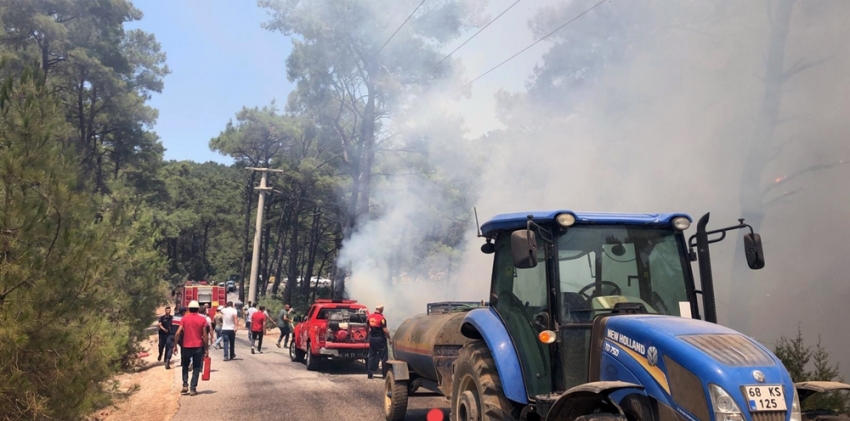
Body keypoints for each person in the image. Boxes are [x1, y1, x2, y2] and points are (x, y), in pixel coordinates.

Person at [174, 300, 209, 396]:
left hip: (186, 347)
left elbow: (177, 333)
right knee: (197, 367)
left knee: (185, 366)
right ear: (198, 309)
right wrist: (206, 349)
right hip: (198, 347)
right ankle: (193, 388)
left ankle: (185, 384)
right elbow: (205, 336)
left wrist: (175, 346)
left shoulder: (184, 319)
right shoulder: (203, 319)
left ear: (189, 309)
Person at [366, 304, 392, 379]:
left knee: (371, 355)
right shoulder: (382, 318)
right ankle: (384, 375)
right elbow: (385, 330)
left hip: (372, 338)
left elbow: (367, 326)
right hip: (380, 339)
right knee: (383, 357)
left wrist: (367, 335)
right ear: (381, 309)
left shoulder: (370, 317)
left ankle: (370, 374)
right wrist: (389, 338)